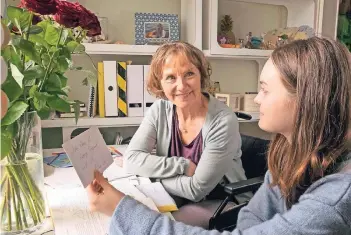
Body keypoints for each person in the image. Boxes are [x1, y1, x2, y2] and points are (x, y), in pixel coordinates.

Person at [87, 37, 351, 234]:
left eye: (265, 90)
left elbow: (198, 189)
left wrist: (124, 208)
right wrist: (177, 169)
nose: (256, 99)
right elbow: (253, 220)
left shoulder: (335, 199)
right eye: (170, 78)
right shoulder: (289, 154)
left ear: (307, 100)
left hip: (217, 199)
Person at [118, 41, 248, 227]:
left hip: (223, 200)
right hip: (175, 195)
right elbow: (131, 159)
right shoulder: (160, 110)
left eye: (189, 74)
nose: (181, 86)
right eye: (170, 77)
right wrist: (182, 165)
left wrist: (151, 176)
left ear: (201, 75)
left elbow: (197, 190)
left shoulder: (223, 121)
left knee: (154, 226)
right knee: (128, 214)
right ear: (160, 84)